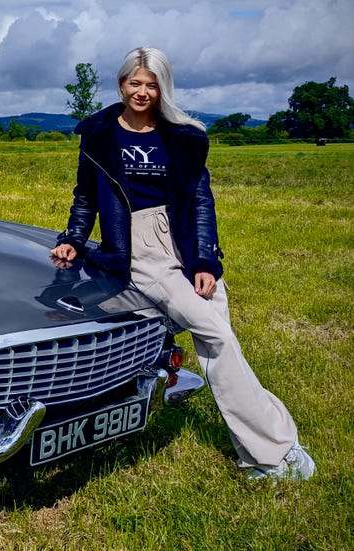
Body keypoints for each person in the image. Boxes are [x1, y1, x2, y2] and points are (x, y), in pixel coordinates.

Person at [50, 47, 314, 483]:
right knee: (217, 336)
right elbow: (86, 196)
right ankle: (277, 449)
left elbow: (199, 199)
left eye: (152, 84)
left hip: (184, 243)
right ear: (121, 85)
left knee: (222, 344)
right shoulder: (98, 135)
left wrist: (205, 259)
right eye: (135, 82)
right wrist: (73, 240)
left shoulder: (181, 137)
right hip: (141, 250)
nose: (142, 91)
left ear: (162, 88)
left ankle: (258, 454)